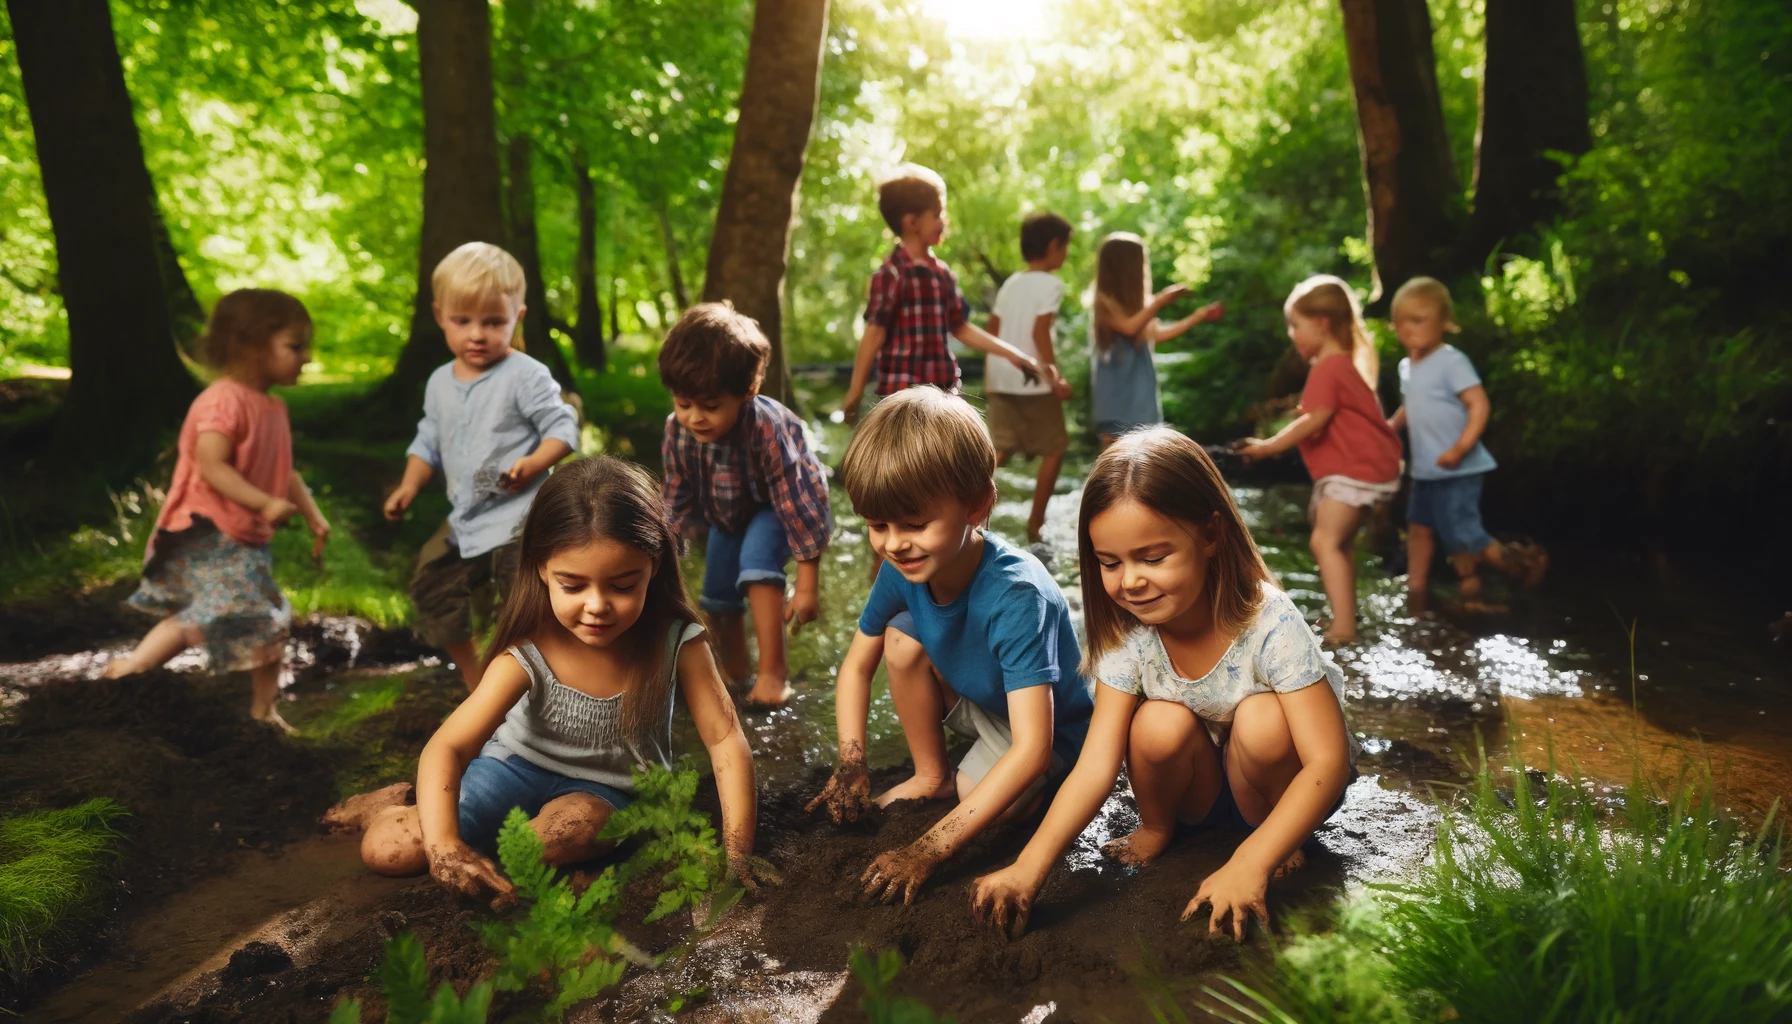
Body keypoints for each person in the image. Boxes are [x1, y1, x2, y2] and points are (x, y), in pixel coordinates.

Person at [969, 429, 1354, 941]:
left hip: (1274, 787)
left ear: (1211, 535)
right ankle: (1156, 828)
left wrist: (1251, 863)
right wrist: (1028, 868)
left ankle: (1273, 838)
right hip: (1197, 791)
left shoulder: (1269, 621)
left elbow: (1329, 762)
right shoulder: (1129, 629)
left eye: (1153, 558)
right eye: (1110, 563)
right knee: (1156, 722)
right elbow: (1096, 766)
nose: (1130, 581)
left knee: (1263, 719)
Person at [332, 458, 767, 900]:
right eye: (573, 586)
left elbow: (725, 741)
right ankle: (385, 808)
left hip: (607, 791)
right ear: (542, 568)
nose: (597, 605)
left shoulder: (678, 642)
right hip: (511, 770)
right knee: (388, 851)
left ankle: (523, 862)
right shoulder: (530, 649)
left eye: (621, 586)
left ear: (652, 566)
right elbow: (449, 745)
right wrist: (444, 847)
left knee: (565, 835)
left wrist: (737, 855)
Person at [806, 388, 1095, 905]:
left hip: (1049, 732)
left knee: (979, 795)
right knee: (900, 639)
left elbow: (1031, 748)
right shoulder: (906, 564)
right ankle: (929, 773)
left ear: (977, 504)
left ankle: (1023, 796)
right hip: (982, 697)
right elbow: (855, 668)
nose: (894, 543)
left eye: (915, 524)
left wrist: (928, 848)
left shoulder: (1015, 595)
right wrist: (851, 763)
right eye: (878, 526)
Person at [102, 290, 328, 735]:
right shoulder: (223, 401)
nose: (306, 357)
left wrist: (313, 515)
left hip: (242, 536)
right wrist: (263, 503)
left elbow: (283, 472)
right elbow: (212, 465)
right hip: (205, 530)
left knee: (267, 614)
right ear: (251, 346)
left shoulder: (273, 407)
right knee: (246, 615)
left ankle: (263, 711)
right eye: (294, 346)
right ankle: (131, 669)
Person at [383, 242, 582, 691]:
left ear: (518, 317)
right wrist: (409, 485)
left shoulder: (524, 374)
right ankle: (477, 679)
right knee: (431, 584)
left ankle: (548, 687)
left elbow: (563, 427)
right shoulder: (439, 382)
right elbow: (428, 439)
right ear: (440, 317)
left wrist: (532, 463)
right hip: (466, 519)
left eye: (494, 322)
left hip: (520, 519)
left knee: (526, 604)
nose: (477, 334)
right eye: (463, 321)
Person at [658, 303, 832, 709]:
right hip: (727, 514)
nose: (695, 417)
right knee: (716, 594)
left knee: (756, 563)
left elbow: (797, 504)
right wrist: (658, 556)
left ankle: (774, 674)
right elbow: (675, 498)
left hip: (779, 509)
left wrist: (807, 587)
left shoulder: (768, 427)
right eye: (684, 404)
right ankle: (736, 672)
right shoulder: (676, 431)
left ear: (747, 391)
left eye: (711, 406)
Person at [1238, 275, 1402, 642]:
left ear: (1322, 323)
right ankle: (1344, 618)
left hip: (1356, 471)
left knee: (1323, 541)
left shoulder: (1329, 367)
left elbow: (1317, 419)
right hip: (1364, 468)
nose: (1291, 334)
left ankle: (1344, 627)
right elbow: (1326, 416)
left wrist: (1268, 447)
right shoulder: (1339, 365)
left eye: (1296, 325)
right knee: (1336, 542)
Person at [1386, 276, 1546, 608]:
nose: (1407, 329)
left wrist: (1460, 447)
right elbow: (1411, 403)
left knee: (1462, 530)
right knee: (1420, 528)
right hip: (1426, 470)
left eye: (1417, 321)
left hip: (1458, 467)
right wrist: (1391, 426)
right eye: (1400, 323)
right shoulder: (1407, 366)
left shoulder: (1451, 361)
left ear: (1445, 323)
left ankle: (1520, 564)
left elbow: (1479, 404)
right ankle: (1427, 588)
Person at [840, 164, 1041, 425]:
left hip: (943, 394)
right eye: (937, 214)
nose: (943, 221)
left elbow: (962, 329)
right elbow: (874, 333)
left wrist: (1015, 354)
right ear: (912, 222)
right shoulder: (891, 275)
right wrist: (855, 391)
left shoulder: (943, 275)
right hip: (901, 397)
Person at [985, 212, 1076, 544]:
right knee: (1055, 447)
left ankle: (963, 511)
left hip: (1001, 374)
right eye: (1066, 247)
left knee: (1001, 449)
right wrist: (1054, 377)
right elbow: (1040, 332)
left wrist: (993, 373)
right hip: (1032, 379)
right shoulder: (1051, 284)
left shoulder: (1011, 283)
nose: (1065, 254)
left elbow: (992, 331)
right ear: (1053, 246)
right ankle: (1035, 525)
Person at [1088, 232, 1224, 446]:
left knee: (1145, 448)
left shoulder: (1140, 304)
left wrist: (1198, 317)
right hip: (1116, 395)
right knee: (1114, 451)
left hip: (1141, 393)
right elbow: (1129, 328)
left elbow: (1157, 335)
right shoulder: (1104, 303)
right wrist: (1161, 300)